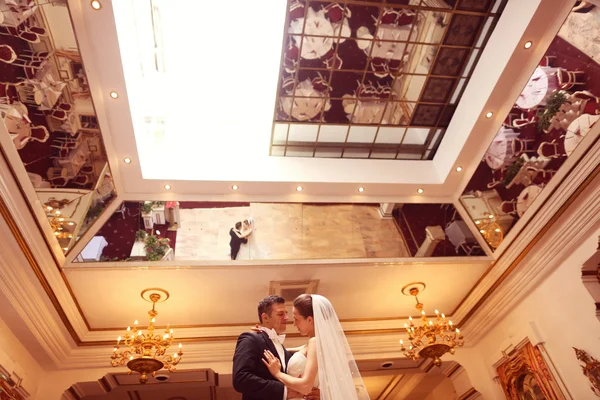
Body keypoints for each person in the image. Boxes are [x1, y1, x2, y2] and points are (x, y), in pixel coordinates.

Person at [262, 294, 370, 400]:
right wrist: (265, 332)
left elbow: (305, 386)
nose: (294, 324)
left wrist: (277, 373)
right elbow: (284, 351)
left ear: (309, 320)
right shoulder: (316, 344)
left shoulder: (314, 342)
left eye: (297, 319)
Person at [232, 295, 319, 400]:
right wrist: (285, 391)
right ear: (265, 318)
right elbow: (241, 379)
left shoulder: (284, 350)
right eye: (280, 314)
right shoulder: (250, 339)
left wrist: (319, 392)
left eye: (286, 313)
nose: (287, 318)